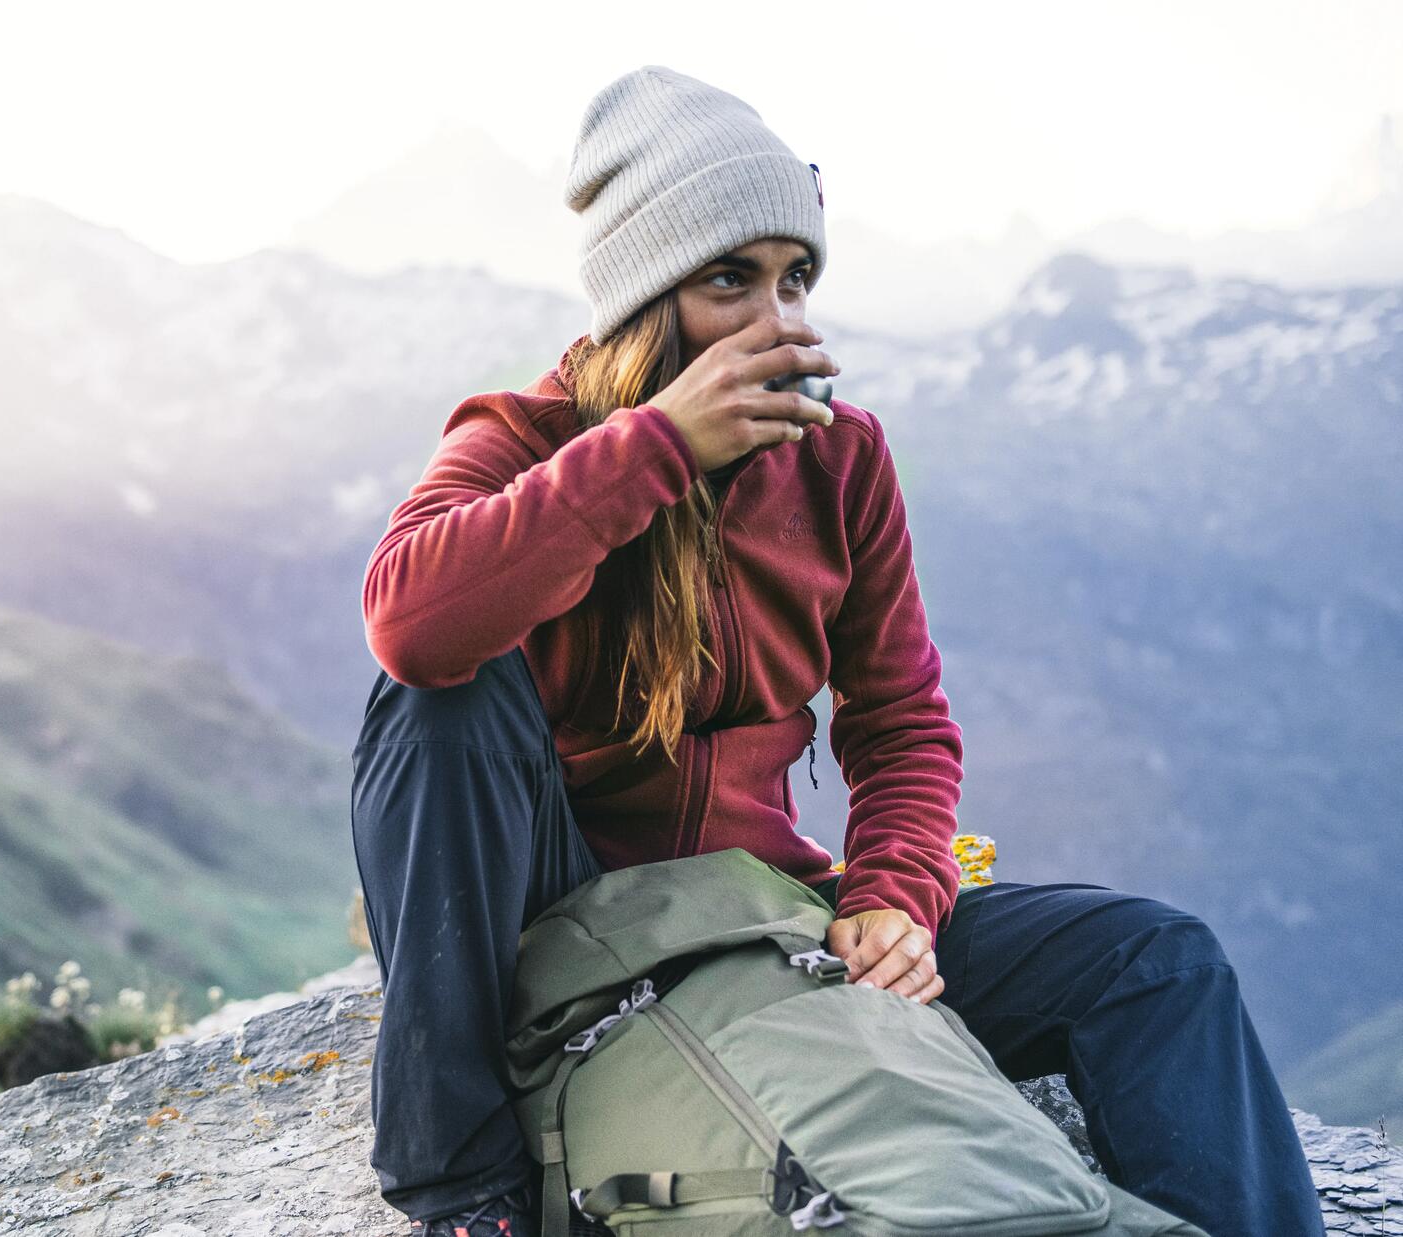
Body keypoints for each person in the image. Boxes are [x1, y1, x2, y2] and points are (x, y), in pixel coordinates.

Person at [350, 65, 1323, 1237]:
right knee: (438, 695)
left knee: (1158, 958)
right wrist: (657, 446)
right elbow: (409, 621)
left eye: (796, 279)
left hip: (768, 906)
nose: (782, 322)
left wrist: (896, 898)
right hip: (571, 909)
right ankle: (462, 1189)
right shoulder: (526, 442)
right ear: (644, 300)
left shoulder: (840, 459)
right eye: (730, 281)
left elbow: (900, 720)